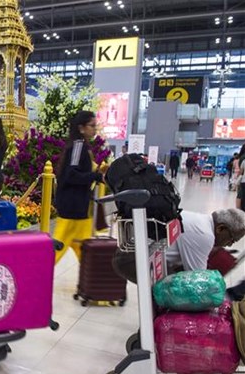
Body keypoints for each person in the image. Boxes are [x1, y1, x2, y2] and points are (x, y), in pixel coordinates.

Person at [113, 208, 245, 283]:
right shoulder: (205, 235)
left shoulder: (202, 221)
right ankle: (154, 330)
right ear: (221, 228)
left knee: (173, 284)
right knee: (178, 291)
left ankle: (153, 328)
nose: (228, 245)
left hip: (133, 253)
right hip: (132, 259)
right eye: (232, 239)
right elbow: (197, 279)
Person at [53, 110, 108, 264]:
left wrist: (98, 172)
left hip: (80, 207)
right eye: (91, 125)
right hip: (71, 208)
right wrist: (96, 176)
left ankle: (90, 284)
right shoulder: (78, 146)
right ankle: (36, 278)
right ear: (81, 128)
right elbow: (72, 174)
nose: (94, 129)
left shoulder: (82, 146)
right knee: (57, 249)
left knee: (84, 250)